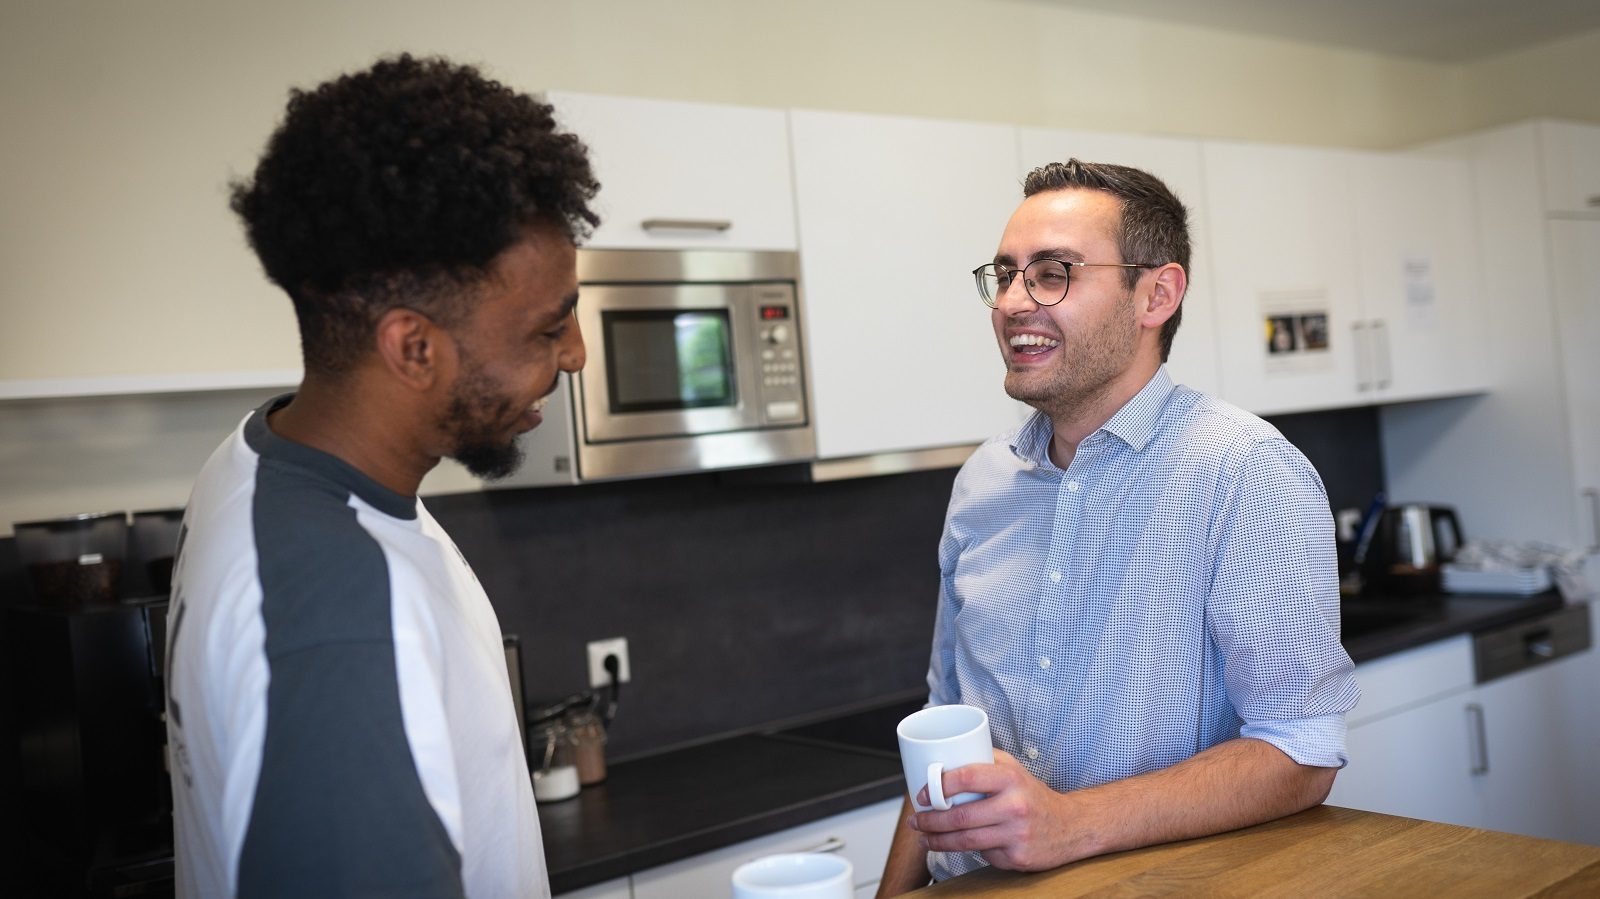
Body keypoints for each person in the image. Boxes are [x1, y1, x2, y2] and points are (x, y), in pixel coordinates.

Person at [164, 54, 598, 898]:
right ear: (413, 347)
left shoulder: (252, 465)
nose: (575, 354)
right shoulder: (345, 624)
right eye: (548, 329)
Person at [876, 160, 1359, 894]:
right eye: (1005, 275)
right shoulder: (982, 483)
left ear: (1156, 294)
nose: (1012, 302)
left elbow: (1300, 749)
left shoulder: (1244, 473)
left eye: (1053, 273)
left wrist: (1067, 822)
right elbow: (943, 726)